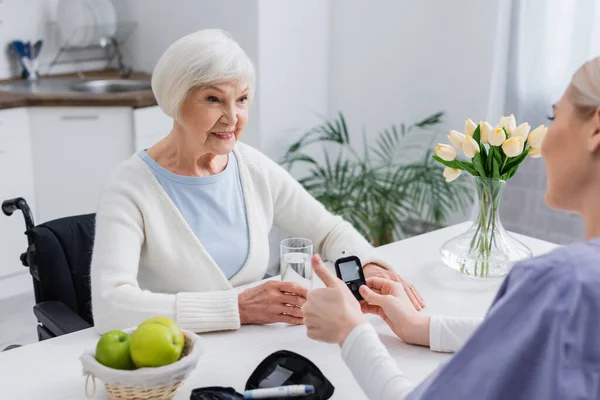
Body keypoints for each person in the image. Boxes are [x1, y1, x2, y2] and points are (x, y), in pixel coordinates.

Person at [303, 56, 600, 400]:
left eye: (553, 117)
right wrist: (422, 327)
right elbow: (526, 337)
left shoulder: (561, 285)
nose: (544, 142)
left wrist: (350, 331)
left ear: (595, 130)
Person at [90, 29, 424, 334]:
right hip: (173, 359)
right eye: (213, 99)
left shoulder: (250, 167)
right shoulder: (129, 187)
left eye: (242, 99)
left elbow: (328, 231)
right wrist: (239, 308)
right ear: (176, 102)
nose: (232, 118)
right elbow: (111, 306)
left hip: (255, 350)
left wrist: (370, 265)